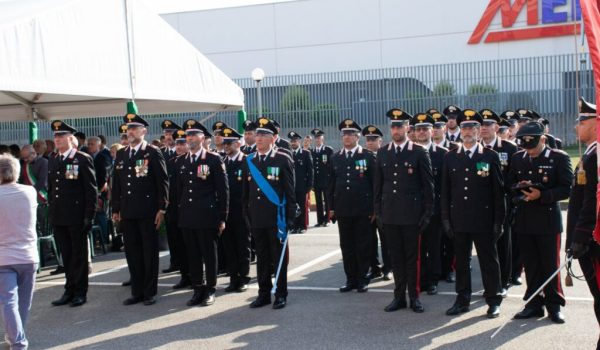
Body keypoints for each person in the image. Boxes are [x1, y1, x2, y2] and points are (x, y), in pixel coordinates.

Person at [441, 109, 505, 319]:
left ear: (479, 131)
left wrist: (498, 221)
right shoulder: (450, 157)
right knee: (461, 262)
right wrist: (446, 219)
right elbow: (446, 192)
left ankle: (493, 300)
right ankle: (462, 300)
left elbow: (498, 192)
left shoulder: (489, 155)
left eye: (472, 127)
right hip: (459, 220)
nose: (468, 131)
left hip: (484, 220)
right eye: (464, 127)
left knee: (489, 261)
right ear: (460, 130)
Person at [508, 121, 573, 323]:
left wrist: (542, 195)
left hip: (547, 221)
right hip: (525, 220)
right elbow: (509, 184)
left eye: (533, 145)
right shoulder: (518, 158)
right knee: (531, 265)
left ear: (543, 139)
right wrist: (519, 189)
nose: (530, 150)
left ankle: (554, 305)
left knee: (550, 265)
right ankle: (534, 304)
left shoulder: (558, 158)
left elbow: (568, 188)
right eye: (525, 145)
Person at [374, 109, 433, 313]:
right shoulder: (383, 152)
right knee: (396, 258)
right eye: (393, 126)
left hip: (412, 216)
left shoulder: (418, 151)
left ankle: (414, 297)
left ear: (408, 128)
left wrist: (427, 213)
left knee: (412, 258)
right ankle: (398, 297)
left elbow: (428, 186)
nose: (396, 129)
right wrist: (378, 212)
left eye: (400, 126)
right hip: (390, 214)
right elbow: (378, 186)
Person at [111, 113, 168, 306]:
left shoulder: (151, 152)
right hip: (128, 211)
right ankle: (137, 291)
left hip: (147, 210)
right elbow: (117, 183)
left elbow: (162, 182)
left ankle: (150, 291)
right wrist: (116, 208)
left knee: (149, 252)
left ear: (144, 131)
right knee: (132, 252)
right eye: (128, 129)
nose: (130, 132)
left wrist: (162, 208)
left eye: (134, 128)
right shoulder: (122, 153)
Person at [242, 118, 296, 310]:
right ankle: (263, 293)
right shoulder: (249, 160)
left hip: (277, 217)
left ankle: (281, 294)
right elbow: (245, 193)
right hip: (256, 217)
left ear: (273, 138)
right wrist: (246, 215)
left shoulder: (282, 158)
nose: (259, 138)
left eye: (264, 135)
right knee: (262, 257)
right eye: (257, 134)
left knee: (278, 257)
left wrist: (290, 217)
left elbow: (290, 191)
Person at [176, 120, 229, 307]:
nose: (189, 138)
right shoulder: (181, 161)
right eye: (187, 135)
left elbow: (223, 190)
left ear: (202, 138)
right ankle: (198, 288)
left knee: (209, 254)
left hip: (208, 216)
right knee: (193, 255)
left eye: (193, 135)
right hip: (188, 217)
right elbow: (179, 191)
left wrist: (222, 216)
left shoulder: (213, 159)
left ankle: (211, 289)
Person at [48, 120, 98, 307]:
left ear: (70, 138)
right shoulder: (54, 159)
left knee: (78, 256)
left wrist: (89, 215)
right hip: (59, 216)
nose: (57, 139)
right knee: (66, 256)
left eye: (61, 136)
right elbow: (52, 189)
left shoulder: (82, 159)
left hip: (77, 216)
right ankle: (69, 290)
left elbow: (90, 190)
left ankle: (80, 292)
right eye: (55, 136)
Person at [328, 119, 376, 294]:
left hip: (363, 209)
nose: (347, 137)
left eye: (350, 134)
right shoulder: (336, 157)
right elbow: (331, 185)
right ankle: (350, 279)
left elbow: (374, 184)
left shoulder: (367, 156)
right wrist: (331, 208)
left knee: (363, 245)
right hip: (343, 209)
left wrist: (374, 209)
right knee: (346, 246)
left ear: (358, 137)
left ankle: (363, 278)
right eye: (344, 134)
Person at [567, 97, 600, 347]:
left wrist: (580, 236)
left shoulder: (596, 156)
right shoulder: (589, 154)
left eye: (580, 122)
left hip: (591, 240)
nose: (576, 127)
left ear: (594, 123)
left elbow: (592, 200)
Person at [0, 154, 39, 350]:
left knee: (8, 302)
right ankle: (15, 335)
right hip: (29, 255)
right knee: (23, 303)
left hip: (4, 257)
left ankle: (17, 341)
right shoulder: (29, 191)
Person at [479, 109, 518, 296]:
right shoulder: (475, 149)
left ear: (496, 126)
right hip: (480, 207)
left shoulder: (509, 148)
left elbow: (514, 177)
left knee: (503, 245)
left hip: (503, 204)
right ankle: (490, 283)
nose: (484, 128)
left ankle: (504, 280)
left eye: (488, 125)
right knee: (486, 248)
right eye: (482, 125)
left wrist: (511, 204)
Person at [411, 113, 447, 295]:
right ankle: (421, 278)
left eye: (426, 128)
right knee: (418, 246)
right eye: (419, 129)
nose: (422, 132)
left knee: (434, 245)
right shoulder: (410, 152)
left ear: (432, 131)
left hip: (435, 209)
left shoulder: (442, 154)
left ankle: (433, 279)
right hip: (414, 209)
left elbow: (446, 185)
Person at [221, 127, 252, 292]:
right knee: (229, 246)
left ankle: (244, 278)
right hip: (226, 212)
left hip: (242, 211)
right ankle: (233, 278)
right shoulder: (222, 162)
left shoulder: (247, 161)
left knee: (243, 245)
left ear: (238, 143)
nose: (226, 146)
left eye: (229, 143)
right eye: (224, 143)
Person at [362, 125, 391, 281]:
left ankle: (388, 267)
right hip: (367, 206)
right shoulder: (363, 156)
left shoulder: (385, 155)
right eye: (368, 139)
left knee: (386, 239)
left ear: (380, 140)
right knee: (370, 240)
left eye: (373, 139)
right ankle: (374, 267)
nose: (370, 142)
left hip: (383, 205)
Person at [164, 129, 191, 289]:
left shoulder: (195, 161)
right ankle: (184, 276)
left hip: (189, 211)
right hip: (174, 211)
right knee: (178, 245)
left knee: (191, 247)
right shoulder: (172, 162)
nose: (179, 146)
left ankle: (195, 277)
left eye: (183, 143)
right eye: (178, 144)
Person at [159, 120, 183, 274]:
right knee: (172, 234)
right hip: (168, 201)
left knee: (183, 236)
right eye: (166, 134)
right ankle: (175, 261)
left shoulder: (180, 152)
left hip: (181, 200)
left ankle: (184, 265)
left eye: (171, 133)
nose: (168, 136)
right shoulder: (161, 153)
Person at [86, 136, 113, 245]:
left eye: (92, 144)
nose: (89, 146)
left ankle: (104, 240)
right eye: (88, 144)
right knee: (94, 217)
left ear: (99, 145)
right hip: (91, 192)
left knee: (101, 217)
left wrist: (97, 192)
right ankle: (96, 241)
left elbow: (103, 177)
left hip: (100, 192)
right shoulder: (88, 157)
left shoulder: (103, 157)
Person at [288, 131, 313, 233]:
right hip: (291, 187)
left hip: (302, 186)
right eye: (292, 141)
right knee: (293, 206)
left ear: (299, 141)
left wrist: (309, 186)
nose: (293, 143)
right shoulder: (288, 154)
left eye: (295, 141)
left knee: (302, 206)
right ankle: (294, 226)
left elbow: (310, 171)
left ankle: (302, 226)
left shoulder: (306, 153)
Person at [311, 128, 334, 227]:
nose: (317, 140)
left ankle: (327, 219)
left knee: (327, 200)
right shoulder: (311, 151)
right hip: (316, 181)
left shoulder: (328, 150)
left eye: (319, 138)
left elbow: (332, 166)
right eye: (316, 138)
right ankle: (320, 220)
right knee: (318, 201)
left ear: (322, 139)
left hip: (326, 180)